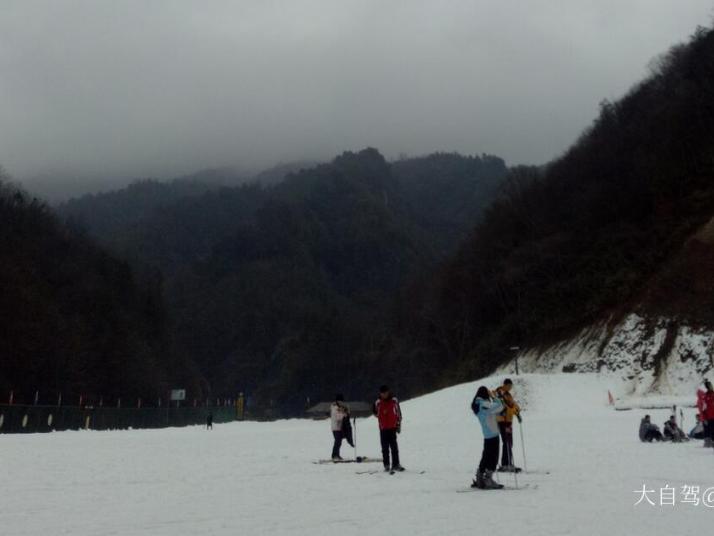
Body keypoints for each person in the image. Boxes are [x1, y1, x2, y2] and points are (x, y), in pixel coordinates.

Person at [373, 385, 403, 472]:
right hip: (383, 429)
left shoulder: (394, 400)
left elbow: (399, 413)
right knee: (384, 448)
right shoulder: (377, 402)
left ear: (388, 392)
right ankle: (386, 465)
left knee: (394, 447)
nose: (384, 394)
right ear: (380, 393)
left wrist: (398, 424)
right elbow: (374, 412)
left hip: (392, 427)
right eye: (382, 393)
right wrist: (380, 417)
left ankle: (396, 464)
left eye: (385, 392)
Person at [495, 378, 521, 473]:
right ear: (505, 385)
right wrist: (513, 410)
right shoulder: (500, 393)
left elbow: (514, 406)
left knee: (509, 442)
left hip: (508, 421)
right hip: (503, 421)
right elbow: (506, 407)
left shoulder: (508, 394)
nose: (510, 388)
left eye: (511, 386)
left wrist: (517, 413)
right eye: (509, 386)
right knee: (506, 441)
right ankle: (506, 464)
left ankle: (508, 463)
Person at [330, 394, 350, 461]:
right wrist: (344, 414)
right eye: (340, 401)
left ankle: (337, 455)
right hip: (335, 427)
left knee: (339, 442)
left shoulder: (340, 407)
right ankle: (334, 455)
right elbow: (338, 417)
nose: (341, 403)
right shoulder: (335, 407)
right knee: (337, 441)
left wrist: (345, 412)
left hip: (339, 427)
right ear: (337, 401)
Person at [701, 381, 714, 448]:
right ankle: (709, 443)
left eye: (711, 385)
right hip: (710, 417)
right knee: (710, 430)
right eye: (710, 385)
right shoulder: (706, 397)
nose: (711, 386)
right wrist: (705, 419)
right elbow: (704, 409)